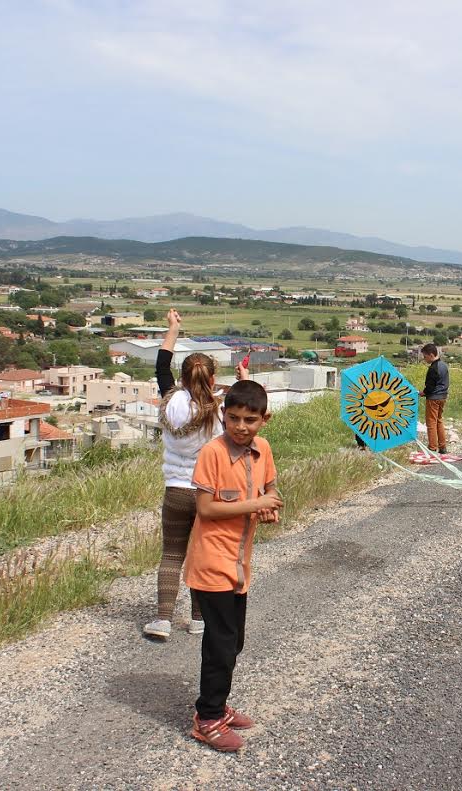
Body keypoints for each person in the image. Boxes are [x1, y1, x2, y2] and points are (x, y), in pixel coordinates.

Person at [187, 380, 282, 752]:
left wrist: (268, 509)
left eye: (250, 420)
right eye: (234, 418)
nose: (241, 426)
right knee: (221, 644)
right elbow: (207, 508)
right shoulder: (211, 453)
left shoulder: (264, 450)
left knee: (233, 641)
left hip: (240, 564)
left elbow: (269, 493)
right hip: (211, 563)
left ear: (264, 419)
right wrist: (254, 506)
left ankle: (218, 704)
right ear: (223, 415)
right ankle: (207, 719)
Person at [143, 308, 239, 640]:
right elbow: (241, 414)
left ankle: (163, 620)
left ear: (182, 379)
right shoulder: (219, 410)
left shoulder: (170, 402)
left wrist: (174, 328)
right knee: (202, 555)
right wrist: (241, 379)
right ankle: (198, 620)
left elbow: (161, 365)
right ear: (212, 380)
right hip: (207, 494)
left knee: (172, 553)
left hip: (175, 491)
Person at [420, 343, 450, 454]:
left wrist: (423, 393)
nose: (424, 359)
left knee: (431, 423)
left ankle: (432, 447)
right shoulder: (444, 365)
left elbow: (430, 387)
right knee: (439, 421)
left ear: (431, 355)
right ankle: (443, 447)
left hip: (433, 398)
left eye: (425, 356)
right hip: (443, 397)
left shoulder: (433, 368)